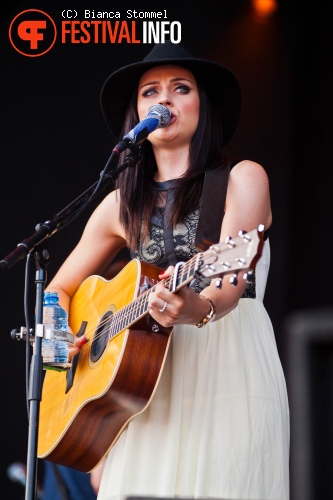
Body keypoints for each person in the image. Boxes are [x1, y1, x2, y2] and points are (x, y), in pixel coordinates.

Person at [45, 42, 290, 500]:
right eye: (150, 92)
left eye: (181, 88)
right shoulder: (120, 204)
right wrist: (60, 337)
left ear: (204, 106)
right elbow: (58, 287)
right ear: (136, 113)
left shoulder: (243, 178)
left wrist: (195, 307)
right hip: (139, 392)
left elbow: (230, 286)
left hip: (228, 372)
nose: (164, 100)